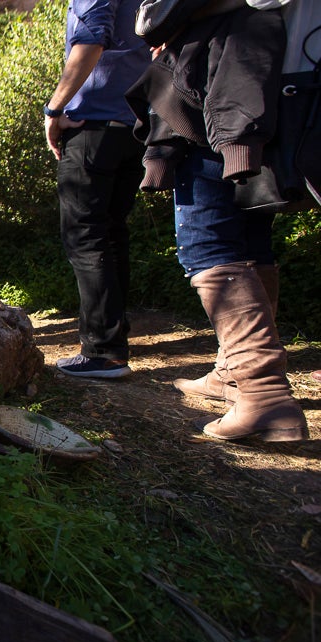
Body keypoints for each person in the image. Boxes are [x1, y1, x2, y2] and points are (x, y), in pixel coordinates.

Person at [129, 1, 312, 441]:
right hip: (277, 79)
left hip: (222, 86)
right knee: (249, 238)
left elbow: (154, 18)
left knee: (207, 242)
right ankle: (233, 371)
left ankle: (263, 395)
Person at [44, 0, 148, 379]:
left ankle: (103, 350)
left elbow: (90, 41)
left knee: (85, 233)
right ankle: (114, 340)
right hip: (134, 123)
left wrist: (54, 110)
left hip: (94, 124)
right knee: (112, 231)